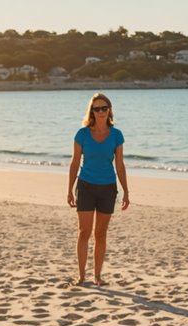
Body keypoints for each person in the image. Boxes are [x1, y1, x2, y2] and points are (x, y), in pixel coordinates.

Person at [67, 93, 130, 286]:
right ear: (92, 112)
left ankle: (97, 276)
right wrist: (69, 189)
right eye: (97, 109)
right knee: (84, 232)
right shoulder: (82, 134)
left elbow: (120, 165)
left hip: (108, 188)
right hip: (86, 185)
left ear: (109, 110)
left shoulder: (117, 135)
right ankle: (81, 276)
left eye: (104, 108)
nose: (101, 111)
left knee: (101, 234)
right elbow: (75, 163)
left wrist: (126, 191)